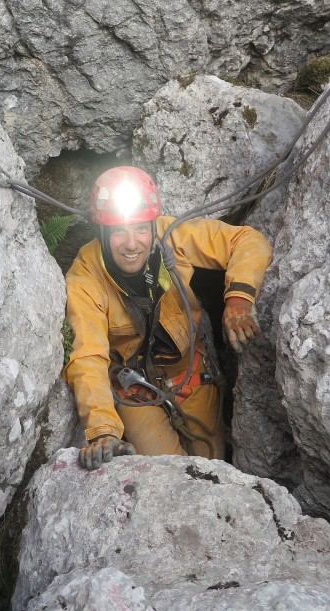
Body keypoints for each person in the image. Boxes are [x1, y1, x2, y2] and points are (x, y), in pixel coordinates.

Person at [63, 166, 272, 470]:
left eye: (140, 228)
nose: (132, 243)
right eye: (119, 230)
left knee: (212, 471)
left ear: (152, 224)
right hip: (134, 391)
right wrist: (103, 430)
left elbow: (247, 240)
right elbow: (88, 358)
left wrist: (239, 297)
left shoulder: (172, 236)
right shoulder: (86, 276)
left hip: (192, 374)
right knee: (169, 474)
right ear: (103, 232)